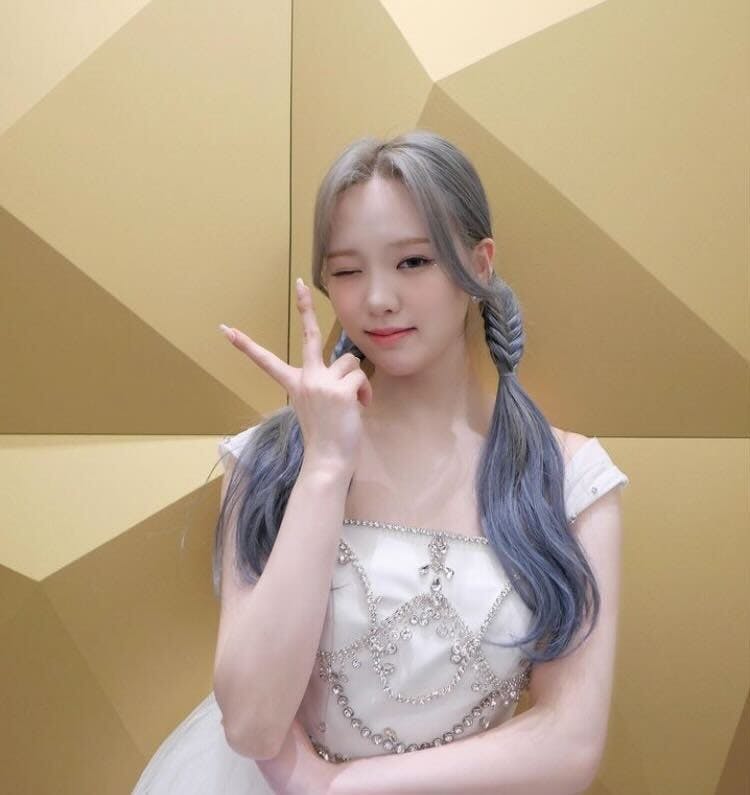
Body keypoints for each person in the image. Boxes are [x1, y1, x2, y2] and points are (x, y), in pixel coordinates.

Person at [132, 129, 630, 794]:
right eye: (346, 270)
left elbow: (570, 742)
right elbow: (250, 724)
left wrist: (335, 787)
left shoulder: (569, 479)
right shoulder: (270, 462)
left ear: (480, 264)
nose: (377, 299)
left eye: (413, 261)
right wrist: (324, 467)